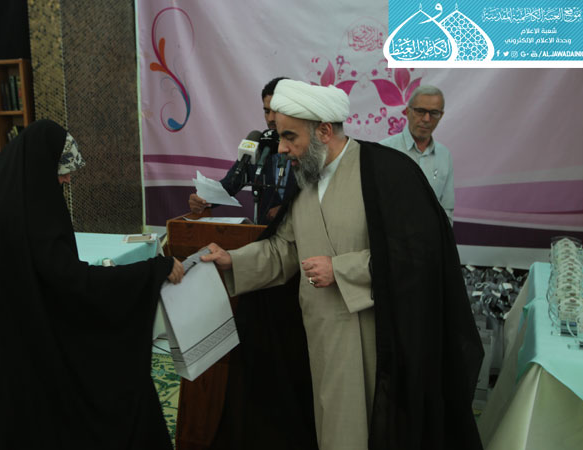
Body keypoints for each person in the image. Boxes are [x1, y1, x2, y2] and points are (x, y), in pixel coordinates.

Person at [202, 80, 483, 449]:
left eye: (290, 136)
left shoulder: (385, 171)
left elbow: (420, 254)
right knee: (329, 425)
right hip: (317, 330)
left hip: (373, 334)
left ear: (323, 131)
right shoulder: (306, 176)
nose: (282, 148)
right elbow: (286, 248)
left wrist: (342, 269)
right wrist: (232, 261)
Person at [0, 120, 184, 449]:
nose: (68, 178)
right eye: (62, 169)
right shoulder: (27, 213)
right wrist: (152, 271)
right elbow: (74, 284)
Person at [188, 77, 297, 224]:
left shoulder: (308, 149)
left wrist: (288, 210)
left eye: (277, 111)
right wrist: (203, 199)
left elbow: (318, 198)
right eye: (267, 111)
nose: (271, 118)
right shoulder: (259, 145)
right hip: (264, 234)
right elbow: (229, 186)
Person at [380, 85, 454, 224]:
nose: (426, 119)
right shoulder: (384, 151)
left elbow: (447, 209)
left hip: (432, 236)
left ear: (441, 116)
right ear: (408, 112)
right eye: (420, 111)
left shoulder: (444, 155)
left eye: (434, 113)